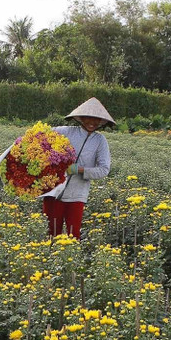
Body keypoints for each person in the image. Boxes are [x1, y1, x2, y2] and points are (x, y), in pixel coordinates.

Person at [44, 97, 113, 239]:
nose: (92, 123)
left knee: (73, 235)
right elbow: (37, 137)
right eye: (88, 118)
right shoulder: (64, 131)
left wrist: (80, 170)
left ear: (101, 122)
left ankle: (70, 261)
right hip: (53, 191)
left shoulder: (100, 141)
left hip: (77, 195)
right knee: (51, 233)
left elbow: (104, 169)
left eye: (96, 120)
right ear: (81, 118)